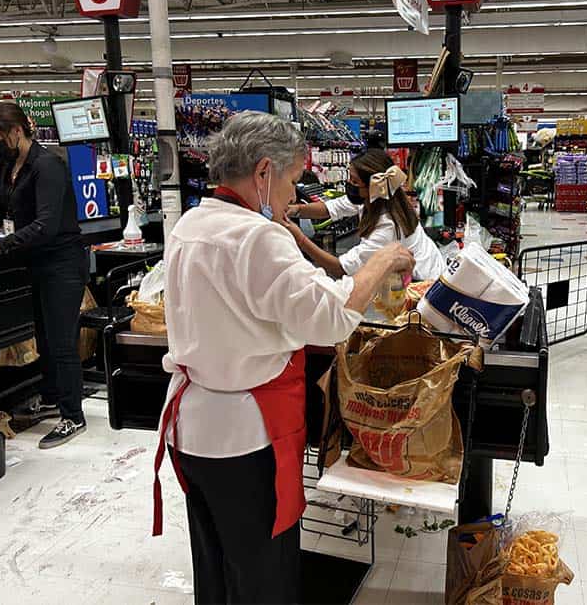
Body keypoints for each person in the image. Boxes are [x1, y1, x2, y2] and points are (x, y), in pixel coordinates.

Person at [152, 111, 414, 605]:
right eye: (293, 180)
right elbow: (330, 318)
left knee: (217, 565)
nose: (294, 196)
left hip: (192, 428)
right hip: (247, 436)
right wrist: (383, 259)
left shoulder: (191, 223)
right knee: (263, 574)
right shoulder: (258, 237)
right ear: (264, 172)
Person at [0, 103, 88, 449]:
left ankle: (72, 416)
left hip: (62, 263)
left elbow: (46, 226)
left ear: (15, 131)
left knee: (62, 341)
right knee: (44, 336)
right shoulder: (8, 164)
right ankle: (51, 398)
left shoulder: (47, 165)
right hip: (33, 263)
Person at [287, 149, 445, 281]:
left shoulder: (387, 226)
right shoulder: (375, 198)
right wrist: (296, 209)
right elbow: (332, 208)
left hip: (423, 282)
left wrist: (300, 239)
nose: (349, 185)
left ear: (374, 186)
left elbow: (341, 269)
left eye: (355, 182)